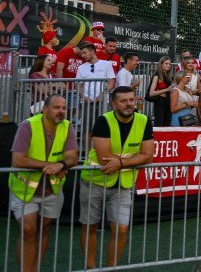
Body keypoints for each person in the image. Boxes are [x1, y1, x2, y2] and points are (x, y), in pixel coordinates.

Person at [79, 86, 153, 268]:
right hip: (95, 182)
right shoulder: (103, 121)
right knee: (90, 226)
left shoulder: (143, 121)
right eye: (123, 101)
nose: (128, 104)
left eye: (131, 100)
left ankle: (111, 267)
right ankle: (90, 267)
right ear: (113, 104)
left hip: (123, 185)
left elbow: (148, 156)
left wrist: (120, 162)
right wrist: (132, 160)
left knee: (121, 229)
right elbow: (104, 158)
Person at [10, 95, 78, 272]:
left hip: (52, 189)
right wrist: (49, 166)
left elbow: (72, 157)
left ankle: (35, 269)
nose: (61, 111)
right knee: (28, 230)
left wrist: (61, 165)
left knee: (45, 229)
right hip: (24, 189)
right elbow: (18, 160)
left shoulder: (67, 126)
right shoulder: (27, 125)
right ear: (45, 109)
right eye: (56, 107)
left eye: (64, 108)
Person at [76, 43, 116, 118]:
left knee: (103, 124)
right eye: (82, 53)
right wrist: (84, 98)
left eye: (84, 53)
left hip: (103, 102)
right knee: (87, 125)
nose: (83, 55)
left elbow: (111, 82)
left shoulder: (106, 64)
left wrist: (102, 95)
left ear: (92, 51)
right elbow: (78, 86)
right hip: (86, 103)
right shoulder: (81, 67)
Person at [147, 56, 174, 127]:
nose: (168, 65)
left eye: (169, 64)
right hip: (160, 103)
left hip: (168, 102)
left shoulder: (169, 76)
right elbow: (151, 93)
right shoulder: (157, 76)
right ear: (161, 64)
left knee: (167, 124)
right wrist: (166, 90)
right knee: (159, 124)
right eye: (166, 63)